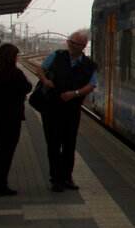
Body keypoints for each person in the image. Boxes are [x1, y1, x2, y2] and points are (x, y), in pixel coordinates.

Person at [35, 31, 97, 191]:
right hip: (52, 108)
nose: (70, 45)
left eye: (74, 43)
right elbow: (41, 69)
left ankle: (67, 177)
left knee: (70, 144)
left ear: (83, 46)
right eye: (69, 42)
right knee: (53, 144)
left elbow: (91, 85)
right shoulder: (57, 56)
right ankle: (56, 178)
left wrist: (75, 94)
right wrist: (45, 81)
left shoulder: (89, 65)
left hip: (72, 110)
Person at [0, 44, 33, 196]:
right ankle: (0, 186)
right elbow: (27, 87)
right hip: (11, 119)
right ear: (12, 58)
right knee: (6, 153)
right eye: (16, 56)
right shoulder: (15, 74)